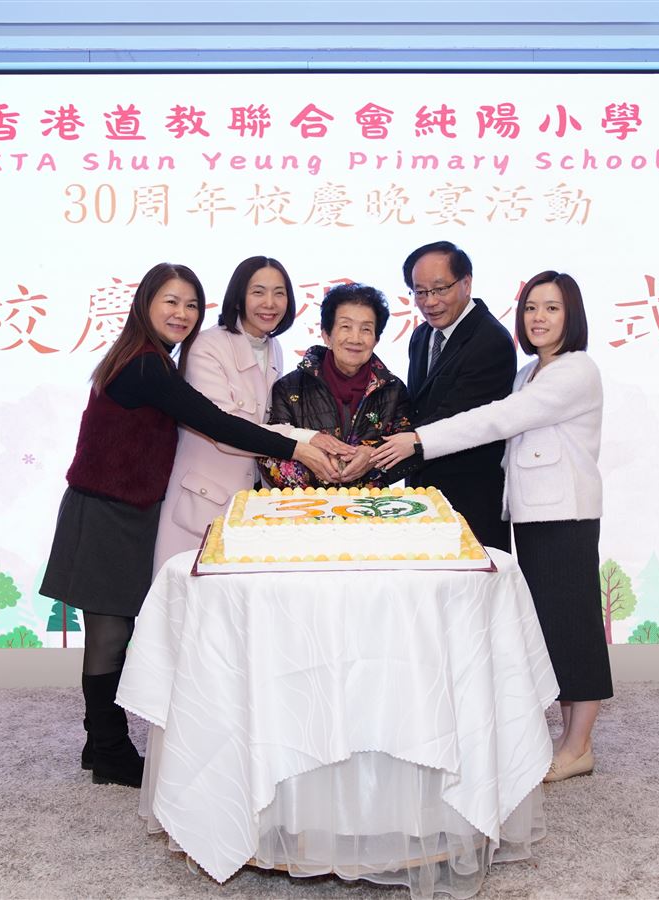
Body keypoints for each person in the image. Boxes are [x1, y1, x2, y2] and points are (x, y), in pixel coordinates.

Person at [39, 262, 340, 788]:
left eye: (191, 305)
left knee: (118, 629)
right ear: (146, 304)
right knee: (110, 633)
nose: (182, 314)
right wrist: (299, 448)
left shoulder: (155, 357)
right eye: (171, 302)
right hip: (106, 510)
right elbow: (216, 423)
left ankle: (100, 743)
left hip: (131, 508)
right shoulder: (144, 365)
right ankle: (108, 749)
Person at [372, 270, 610, 782]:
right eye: (531, 308)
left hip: (566, 513)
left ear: (572, 316)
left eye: (552, 308)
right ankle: (569, 738)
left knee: (575, 625)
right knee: (552, 624)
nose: (539, 318)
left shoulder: (575, 370)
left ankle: (579, 745)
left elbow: (496, 420)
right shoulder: (532, 371)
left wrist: (418, 441)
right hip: (534, 512)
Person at [152, 256, 352, 572]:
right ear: (239, 297)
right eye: (258, 292)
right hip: (201, 504)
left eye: (279, 293)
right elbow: (226, 428)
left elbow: (267, 422)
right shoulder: (207, 346)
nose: (269, 303)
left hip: (248, 506)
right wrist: (303, 443)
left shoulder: (274, 347)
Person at [401, 241, 516, 551]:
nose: (430, 302)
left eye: (440, 289)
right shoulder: (422, 335)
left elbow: (454, 420)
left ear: (466, 283)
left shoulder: (491, 341)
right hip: (424, 502)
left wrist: (383, 454)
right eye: (420, 292)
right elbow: (417, 408)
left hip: (471, 505)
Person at [261, 282, 413, 489]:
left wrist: (372, 457)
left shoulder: (393, 390)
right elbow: (268, 455)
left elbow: (409, 452)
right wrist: (316, 465)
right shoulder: (289, 388)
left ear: (376, 339)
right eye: (345, 327)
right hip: (305, 507)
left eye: (366, 329)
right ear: (327, 335)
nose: (355, 338)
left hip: (371, 507)